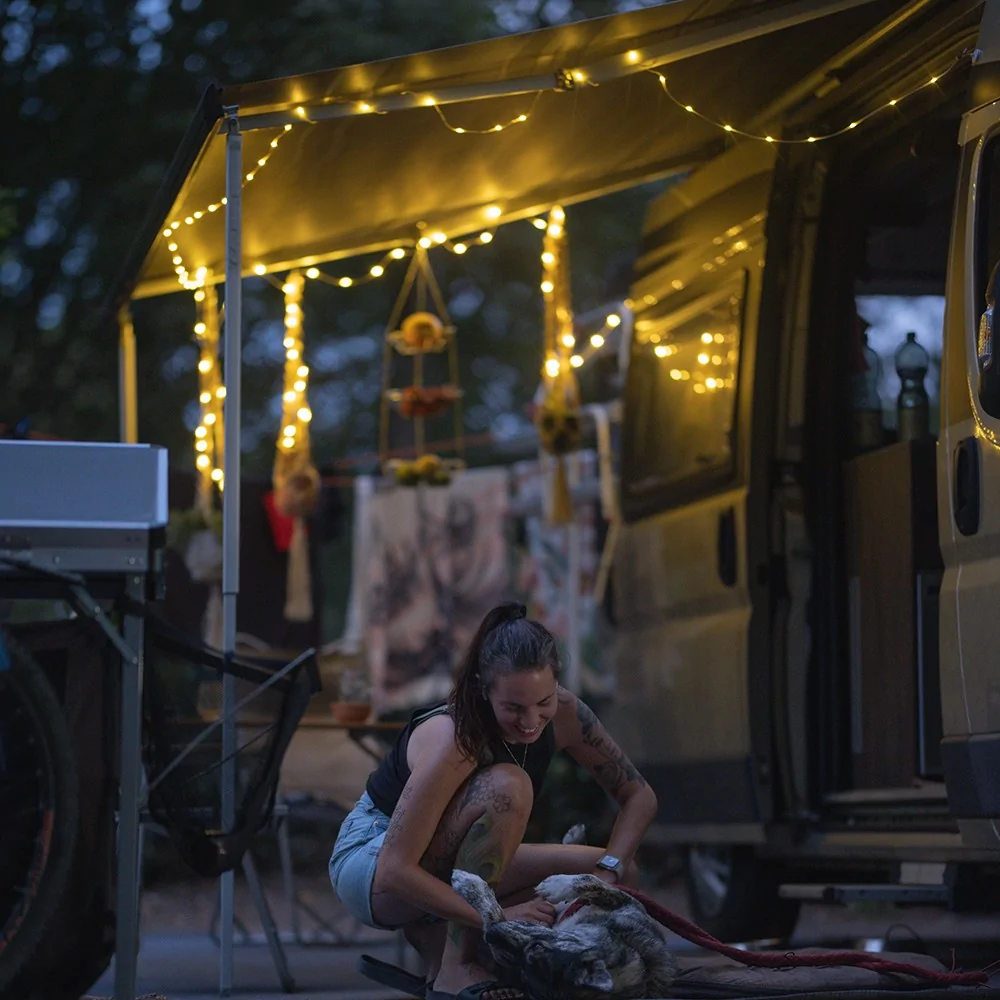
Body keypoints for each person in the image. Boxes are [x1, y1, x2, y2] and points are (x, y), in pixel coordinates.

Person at [329, 602, 658, 1000]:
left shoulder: (568, 714)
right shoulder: (454, 738)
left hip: (451, 863)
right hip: (372, 859)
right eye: (513, 708)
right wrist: (497, 918)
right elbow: (394, 870)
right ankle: (454, 966)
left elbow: (638, 795)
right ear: (484, 691)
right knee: (509, 786)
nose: (532, 721)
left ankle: (461, 944)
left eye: (544, 702)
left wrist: (605, 874)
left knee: (625, 878)